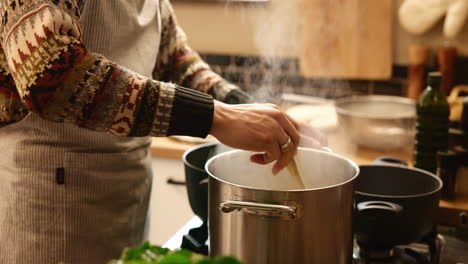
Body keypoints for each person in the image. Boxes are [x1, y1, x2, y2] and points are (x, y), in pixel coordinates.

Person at [0, 0, 325, 263]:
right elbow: (50, 76)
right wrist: (216, 117)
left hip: (124, 189)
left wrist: (249, 108)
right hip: (49, 199)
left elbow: (175, 61)